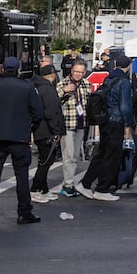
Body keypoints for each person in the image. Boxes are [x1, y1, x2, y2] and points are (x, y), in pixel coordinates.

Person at [0, 56, 44, 225]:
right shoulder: (27, 88)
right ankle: (24, 212)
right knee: (21, 176)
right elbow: (38, 113)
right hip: (19, 136)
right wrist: (29, 127)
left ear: (3, 70)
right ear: (18, 70)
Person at [81, 52, 132, 201]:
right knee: (112, 156)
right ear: (128, 67)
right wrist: (128, 125)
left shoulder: (109, 78)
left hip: (105, 120)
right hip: (116, 121)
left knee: (102, 153)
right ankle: (102, 188)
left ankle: (85, 183)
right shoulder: (124, 82)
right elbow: (125, 106)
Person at [29, 62, 65, 203]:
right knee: (46, 160)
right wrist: (56, 130)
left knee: (45, 159)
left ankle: (43, 189)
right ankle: (35, 189)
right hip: (47, 130)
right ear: (52, 75)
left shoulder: (36, 87)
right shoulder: (48, 89)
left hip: (39, 129)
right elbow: (51, 112)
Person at [56, 59, 91, 197]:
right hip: (68, 124)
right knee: (68, 154)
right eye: (76, 71)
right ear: (72, 71)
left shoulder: (86, 84)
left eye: (81, 72)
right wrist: (64, 91)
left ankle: (70, 182)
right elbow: (53, 99)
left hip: (81, 123)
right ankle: (68, 184)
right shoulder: (63, 83)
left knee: (75, 155)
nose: (78, 74)